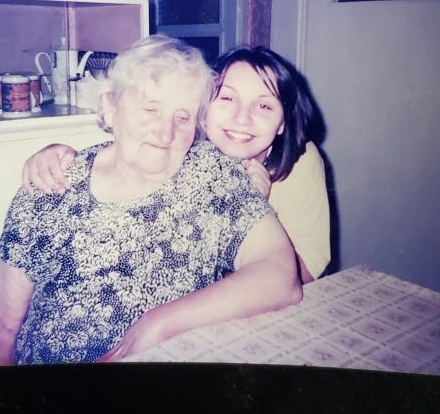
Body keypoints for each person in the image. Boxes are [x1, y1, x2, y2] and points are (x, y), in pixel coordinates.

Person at [0, 35, 302, 367]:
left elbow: (280, 275)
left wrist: (159, 325)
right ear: (111, 108)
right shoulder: (51, 183)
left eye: (183, 117)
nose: (166, 133)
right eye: (150, 109)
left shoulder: (214, 176)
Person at [22, 45, 331, 283]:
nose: (242, 118)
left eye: (264, 105)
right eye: (227, 99)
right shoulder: (185, 150)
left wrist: (251, 209)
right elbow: (126, 156)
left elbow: (301, 274)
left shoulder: (300, 161)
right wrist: (60, 154)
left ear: (283, 122)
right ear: (203, 109)